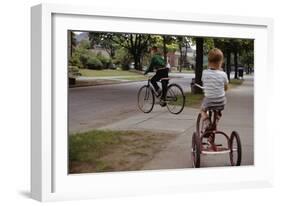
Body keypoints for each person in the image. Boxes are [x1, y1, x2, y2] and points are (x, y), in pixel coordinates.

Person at [201, 48, 229, 127]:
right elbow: (226, 88)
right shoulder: (223, 74)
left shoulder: (204, 73)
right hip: (221, 102)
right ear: (221, 62)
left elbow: (204, 83)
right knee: (219, 108)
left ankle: (208, 124)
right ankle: (217, 118)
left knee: (202, 110)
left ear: (209, 62)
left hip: (209, 101)